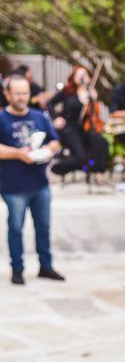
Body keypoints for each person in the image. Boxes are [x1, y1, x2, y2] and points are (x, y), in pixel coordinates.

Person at [0, 75, 64, 285]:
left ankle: (46, 266)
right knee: (16, 228)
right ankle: (17, 269)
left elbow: (55, 141)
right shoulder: (2, 118)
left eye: (25, 93)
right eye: (17, 93)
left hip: (40, 183)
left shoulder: (39, 116)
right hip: (13, 186)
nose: (22, 97)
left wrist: (47, 149)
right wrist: (18, 153)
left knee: (43, 227)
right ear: (7, 94)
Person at [47, 66, 109, 181]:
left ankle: (99, 172)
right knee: (80, 157)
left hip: (83, 129)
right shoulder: (67, 92)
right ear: (73, 77)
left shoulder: (91, 93)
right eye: (78, 75)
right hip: (69, 129)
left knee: (101, 142)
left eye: (84, 75)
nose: (81, 78)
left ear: (89, 78)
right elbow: (50, 103)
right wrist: (56, 118)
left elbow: (93, 115)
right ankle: (56, 167)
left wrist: (92, 99)